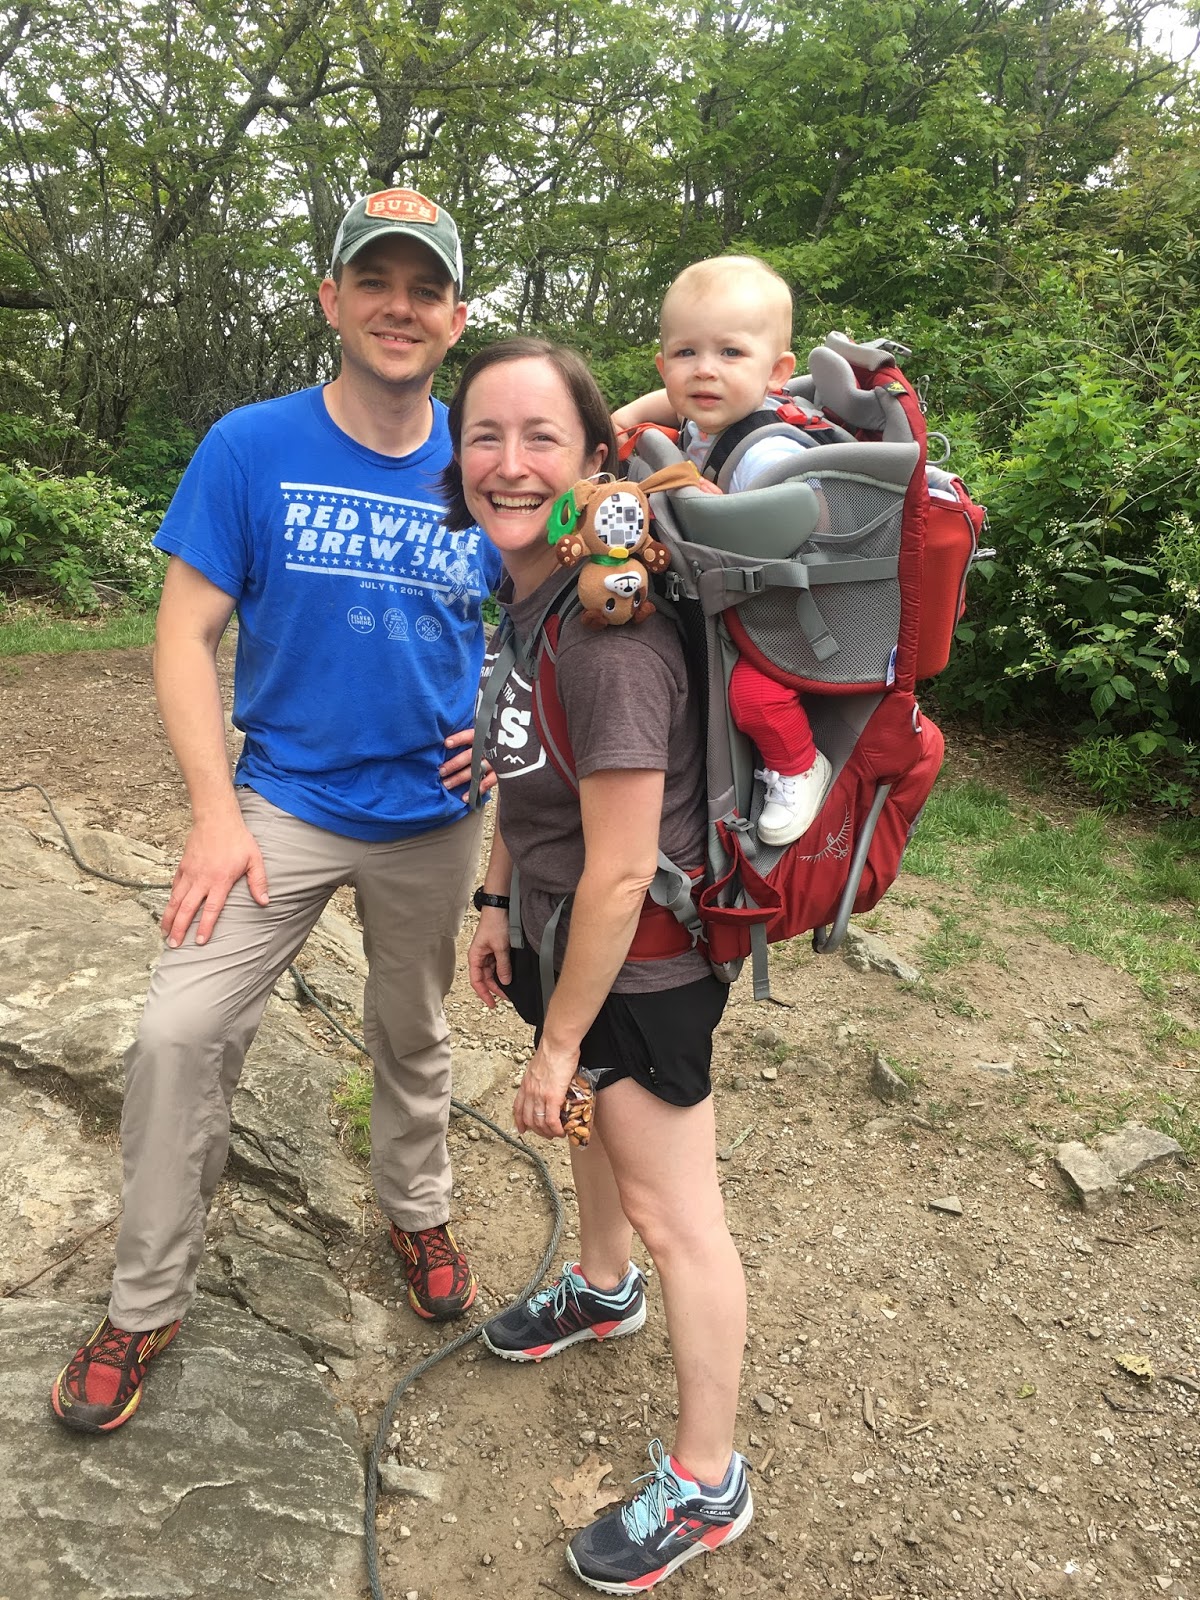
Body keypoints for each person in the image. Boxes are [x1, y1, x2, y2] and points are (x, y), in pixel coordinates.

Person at [51, 188, 503, 1436]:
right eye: (376, 283)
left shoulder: (487, 454)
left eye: (425, 289)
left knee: (413, 1029)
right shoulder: (249, 446)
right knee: (178, 1031)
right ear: (332, 300)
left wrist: (507, 713)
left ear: (456, 317)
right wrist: (214, 811)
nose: (399, 308)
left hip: (435, 810)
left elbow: (567, 595)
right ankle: (146, 1299)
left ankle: (418, 1212)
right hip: (281, 802)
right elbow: (183, 633)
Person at [445, 337, 753, 1594]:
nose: (510, 464)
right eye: (485, 435)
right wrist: (495, 900)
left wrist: (558, 1039)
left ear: (592, 464)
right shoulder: (534, 597)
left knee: (683, 1218)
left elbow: (625, 871)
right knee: (588, 1130)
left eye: (543, 438)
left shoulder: (609, 637)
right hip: (559, 938)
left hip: (638, 966)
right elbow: (527, 772)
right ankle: (601, 1285)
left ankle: (708, 1478)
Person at [612, 254, 834, 844]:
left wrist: (728, 507)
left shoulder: (766, 450)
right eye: (686, 353)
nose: (705, 371)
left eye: (731, 353)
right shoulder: (703, 422)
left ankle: (799, 766)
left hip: (787, 617)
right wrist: (624, 417)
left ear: (776, 372)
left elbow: (820, 512)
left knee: (753, 695)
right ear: (665, 366)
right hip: (731, 601)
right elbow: (668, 402)